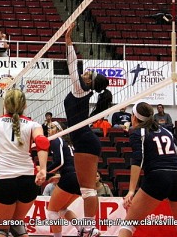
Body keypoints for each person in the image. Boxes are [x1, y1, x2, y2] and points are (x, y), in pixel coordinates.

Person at [0, 89, 48, 237]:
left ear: (5, 106)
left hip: (4, 180)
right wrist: (43, 169)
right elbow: (42, 142)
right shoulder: (34, 125)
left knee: (1, 230)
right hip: (28, 181)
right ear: (25, 105)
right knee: (17, 225)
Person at [63, 26, 112, 237]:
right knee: (86, 189)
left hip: (85, 141)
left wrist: (68, 41)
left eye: (88, 73)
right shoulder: (83, 89)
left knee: (88, 189)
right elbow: (75, 68)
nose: (85, 73)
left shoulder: (80, 88)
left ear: (90, 81)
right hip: (84, 139)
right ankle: (87, 227)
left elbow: (72, 65)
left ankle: (90, 228)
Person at [118, 102, 177, 237]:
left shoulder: (138, 132)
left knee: (128, 224)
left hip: (158, 176)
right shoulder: (166, 131)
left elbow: (138, 159)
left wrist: (131, 190)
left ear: (134, 118)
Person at [45, 121, 80, 237]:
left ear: (59, 130)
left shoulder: (56, 140)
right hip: (78, 178)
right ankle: (83, 229)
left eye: (52, 127)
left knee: (52, 211)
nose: (49, 130)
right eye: (48, 128)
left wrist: (45, 172)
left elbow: (59, 162)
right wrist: (58, 176)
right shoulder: (69, 144)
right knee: (62, 209)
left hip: (69, 176)